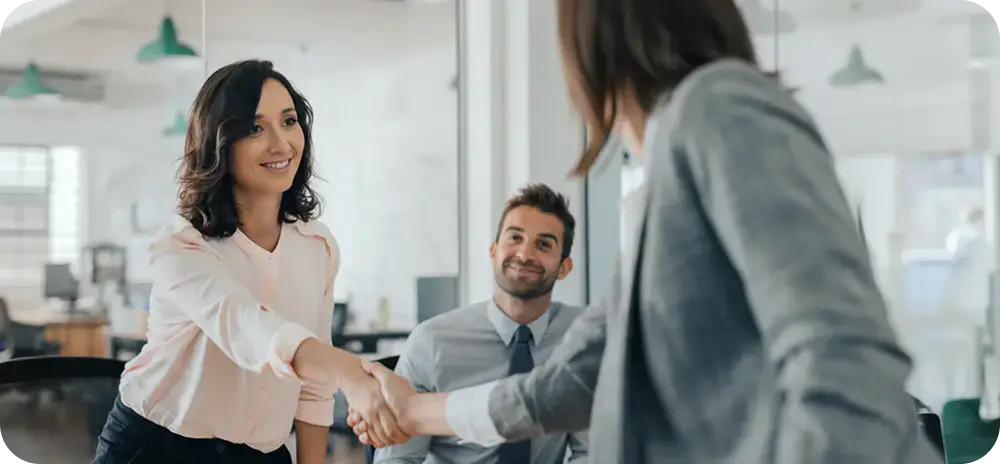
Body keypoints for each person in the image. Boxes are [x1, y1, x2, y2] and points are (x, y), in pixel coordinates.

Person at [349, 0, 944, 462]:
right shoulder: (660, 186)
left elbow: (842, 358)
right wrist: (415, 410)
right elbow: (565, 385)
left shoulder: (719, 105)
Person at [92, 60, 405, 464]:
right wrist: (352, 373)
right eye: (255, 128)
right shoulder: (181, 244)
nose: (281, 144)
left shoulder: (317, 245)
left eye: (289, 121)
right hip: (157, 446)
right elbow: (247, 327)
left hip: (261, 454)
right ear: (220, 143)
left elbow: (312, 388)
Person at [373, 183, 589, 463]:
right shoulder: (432, 342)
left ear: (564, 267)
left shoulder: (580, 338)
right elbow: (397, 458)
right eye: (515, 238)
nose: (524, 255)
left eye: (544, 244)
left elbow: (591, 452)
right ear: (493, 251)